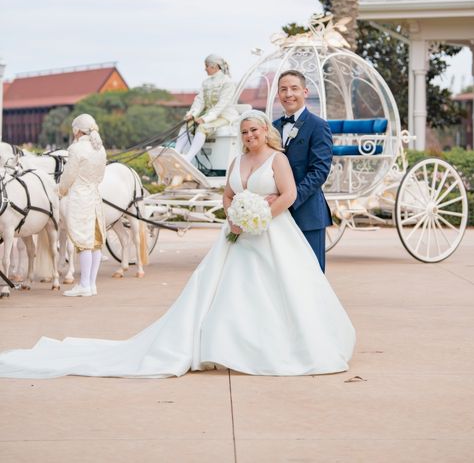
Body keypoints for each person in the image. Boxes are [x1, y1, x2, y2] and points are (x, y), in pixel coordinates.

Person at [0, 110, 354, 379]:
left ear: (265, 131)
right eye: (245, 132)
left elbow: (289, 194)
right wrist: (234, 215)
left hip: (271, 234)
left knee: (280, 291)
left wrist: (259, 217)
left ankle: (273, 345)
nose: (249, 136)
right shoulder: (237, 160)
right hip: (236, 236)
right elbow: (229, 194)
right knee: (221, 291)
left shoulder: (278, 160)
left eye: (254, 130)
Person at [273, 70, 333, 272]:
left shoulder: (318, 126)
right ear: (278, 95)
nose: (288, 94)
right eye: (283, 89)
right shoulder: (271, 129)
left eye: (294, 88)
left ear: (305, 92)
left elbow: (319, 171)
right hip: (277, 217)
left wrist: (290, 198)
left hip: (307, 212)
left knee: (312, 273)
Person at [59, 113, 107, 297]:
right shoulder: (100, 149)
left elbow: (69, 175)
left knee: (83, 242)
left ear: (77, 131)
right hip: (95, 197)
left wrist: (61, 190)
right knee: (95, 242)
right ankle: (91, 284)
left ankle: (84, 285)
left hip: (80, 198)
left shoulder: (76, 149)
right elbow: (101, 177)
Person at [174, 54, 238, 162]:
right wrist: (192, 114)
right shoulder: (206, 83)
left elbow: (222, 105)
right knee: (187, 125)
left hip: (225, 117)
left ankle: (188, 158)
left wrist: (205, 119)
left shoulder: (228, 82)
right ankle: (176, 153)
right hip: (210, 116)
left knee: (202, 127)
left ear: (214, 66)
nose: (205, 69)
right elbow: (199, 101)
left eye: (207, 66)